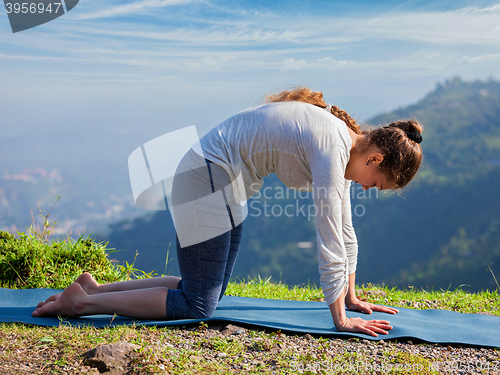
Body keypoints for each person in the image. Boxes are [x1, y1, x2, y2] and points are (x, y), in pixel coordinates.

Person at [33, 87, 423, 337]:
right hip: (205, 178)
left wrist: (352, 297)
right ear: (375, 158)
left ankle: (94, 289)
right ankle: (81, 305)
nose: (366, 188)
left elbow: (344, 225)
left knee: (206, 291)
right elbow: (329, 235)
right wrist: (340, 317)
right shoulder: (333, 147)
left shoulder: (339, 143)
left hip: (218, 182)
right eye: (376, 183)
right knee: (197, 305)